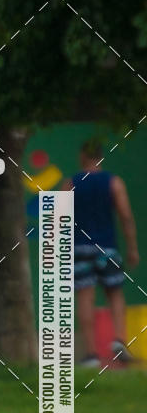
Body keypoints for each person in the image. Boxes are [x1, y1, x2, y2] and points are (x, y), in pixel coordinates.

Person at [63, 141, 139, 366]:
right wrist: (132, 248)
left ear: (82, 156)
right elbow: (125, 216)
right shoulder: (113, 182)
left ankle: (91, 354)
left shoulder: (70, 183)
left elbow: (58, 219)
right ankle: (119, 341)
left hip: (79, 249)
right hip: (108, 248)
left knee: (85, 297)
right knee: (115, 294)